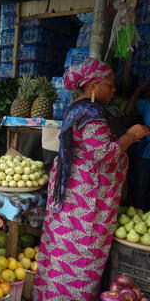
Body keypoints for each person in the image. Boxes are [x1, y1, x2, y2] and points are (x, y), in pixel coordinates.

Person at [33, 58, 150, 301]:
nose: (114, 89)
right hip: (86, 199)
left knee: (61, 249)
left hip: (74, 192)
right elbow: (102, 154)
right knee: (81, 252)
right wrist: (132, 135)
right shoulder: (92, 114)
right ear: (93, 86)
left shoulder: (77, 108)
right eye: (110, 84)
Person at [123, 81, 150, 210]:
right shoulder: (147, 104)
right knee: (141, 191)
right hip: (146, 153)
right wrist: (139, 89)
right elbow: (128, 111)